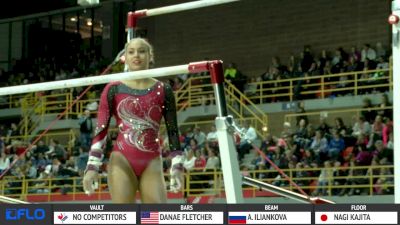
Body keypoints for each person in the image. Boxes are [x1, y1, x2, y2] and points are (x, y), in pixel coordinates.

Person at [83, 38, 182, 203]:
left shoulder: (164, 90)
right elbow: (101, 130)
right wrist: (92, 165)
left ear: (150, 56)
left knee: (155, 218)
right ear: (126, 58)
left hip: (152, 161)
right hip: (122, 159)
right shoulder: (113, 88)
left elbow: (173, 130)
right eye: (131, 52)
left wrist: (177, 164)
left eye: (142, 51)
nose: (137, 55)